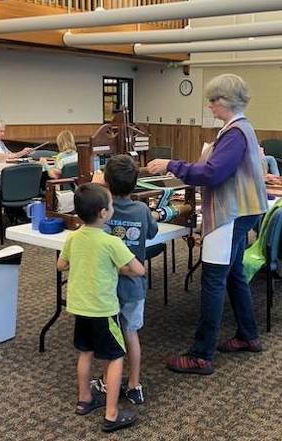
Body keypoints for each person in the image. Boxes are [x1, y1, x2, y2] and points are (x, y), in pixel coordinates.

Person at [147, 74, 268, 375]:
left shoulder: (235, 133)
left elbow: (213, 173)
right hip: (242, 210)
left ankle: (201, 355)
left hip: (231, 214)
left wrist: (171, 165)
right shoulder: (241, 128)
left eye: (213, 100)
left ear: (226, 102)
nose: (210, 106)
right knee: (234, 274)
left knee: (213, 280)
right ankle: (248, 335)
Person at [57, 182, 144, 432]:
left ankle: (84, 399)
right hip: (104, 310)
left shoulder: (73, 236)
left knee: (85, 353)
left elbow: (60, 266)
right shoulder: (111, 242)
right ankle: (112, 413)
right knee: (116, 358)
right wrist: (120, 267)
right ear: (103, 213)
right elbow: (139, 270)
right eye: (111, 205)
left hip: (80, 308)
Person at [91, 155, 158, 404]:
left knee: (110, 335)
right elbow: (152, 232)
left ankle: (108, 382)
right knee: (131, 333)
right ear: (136, 182)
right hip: (134, 286)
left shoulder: (103, 211)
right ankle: (134, 384)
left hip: (108, 286)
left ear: (106, 181)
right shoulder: (141, 209)